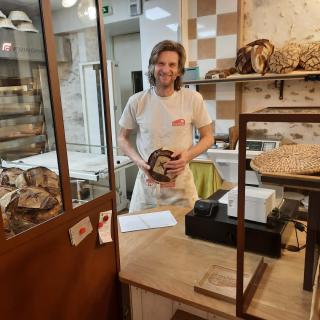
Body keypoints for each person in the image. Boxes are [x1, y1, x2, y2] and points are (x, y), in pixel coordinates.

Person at [118, 40, 214, 212]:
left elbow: (208, 137)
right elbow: (122, 138)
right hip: (147, 183)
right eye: (160, 63)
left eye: (172, 64)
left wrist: (187, 156)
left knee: (180, 234)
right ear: (152, 67)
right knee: (141, 236)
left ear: (178, 71)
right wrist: (139, 162)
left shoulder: (192, 99)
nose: (166, 69)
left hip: (178, 183)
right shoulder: (137, 101)